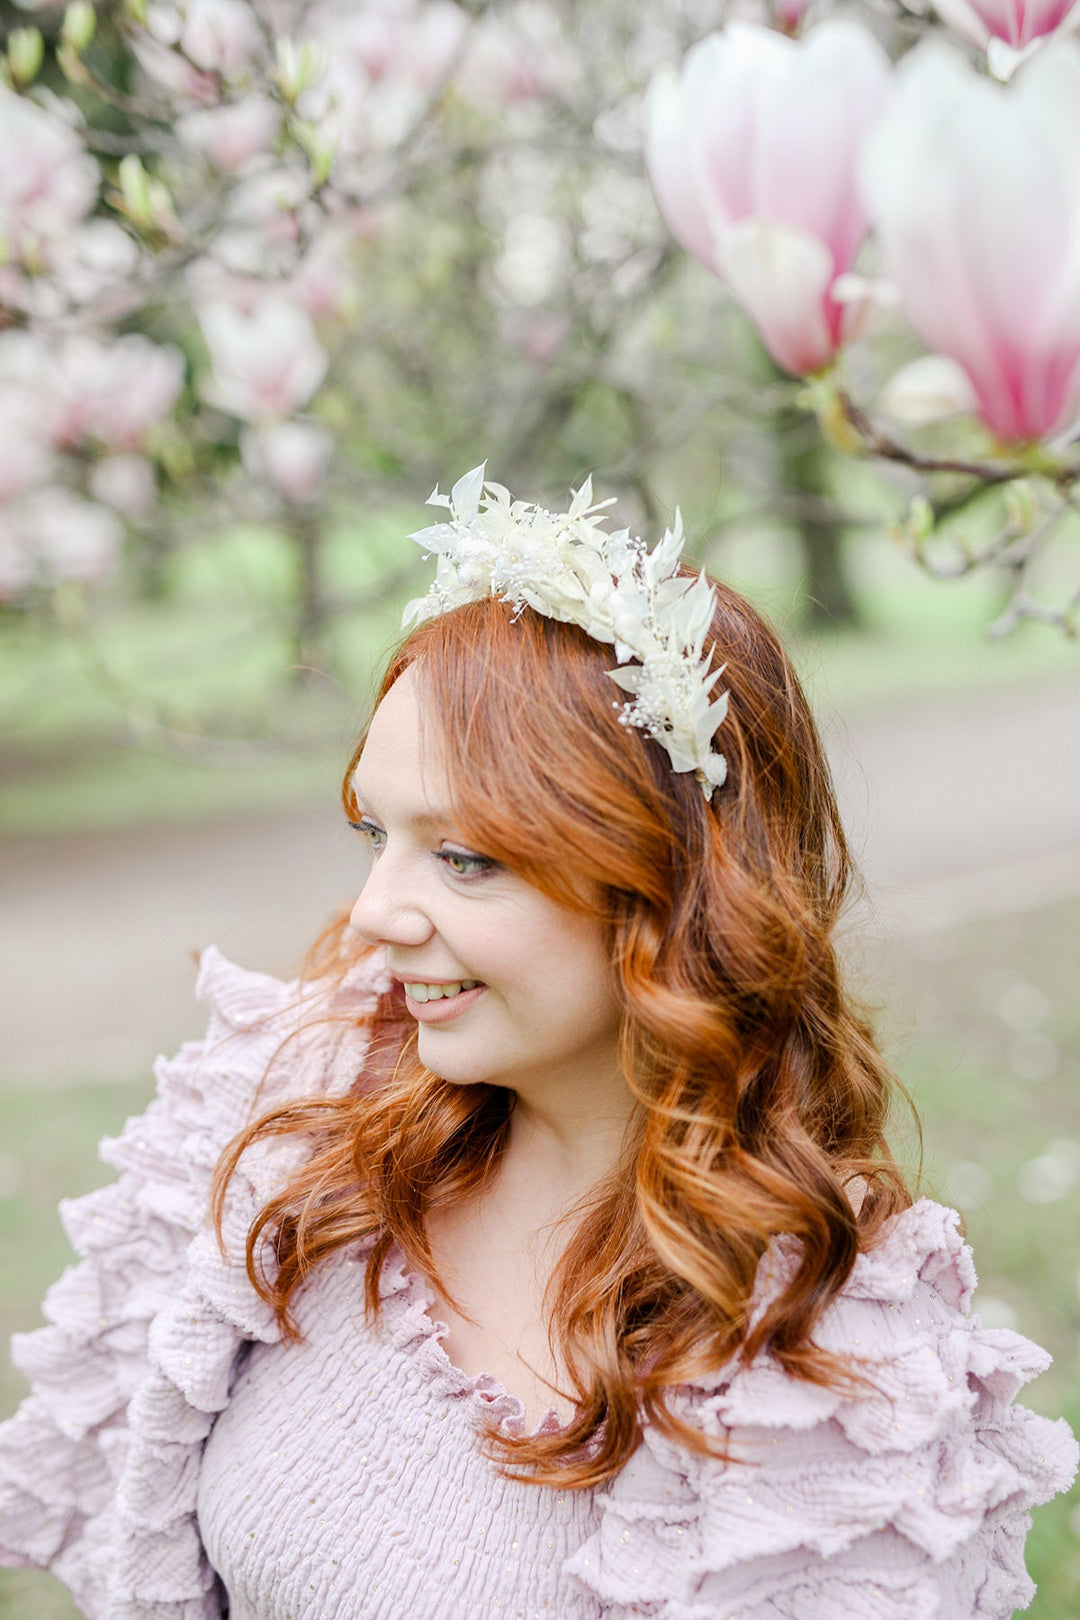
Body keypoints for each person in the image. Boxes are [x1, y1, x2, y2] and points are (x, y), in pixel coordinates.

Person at [0, 467, 1075, 1620]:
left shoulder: (816, 1359)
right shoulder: (302, 1117)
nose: (373, 917)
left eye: (466, 858)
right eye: (376, 834)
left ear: (673, 892)